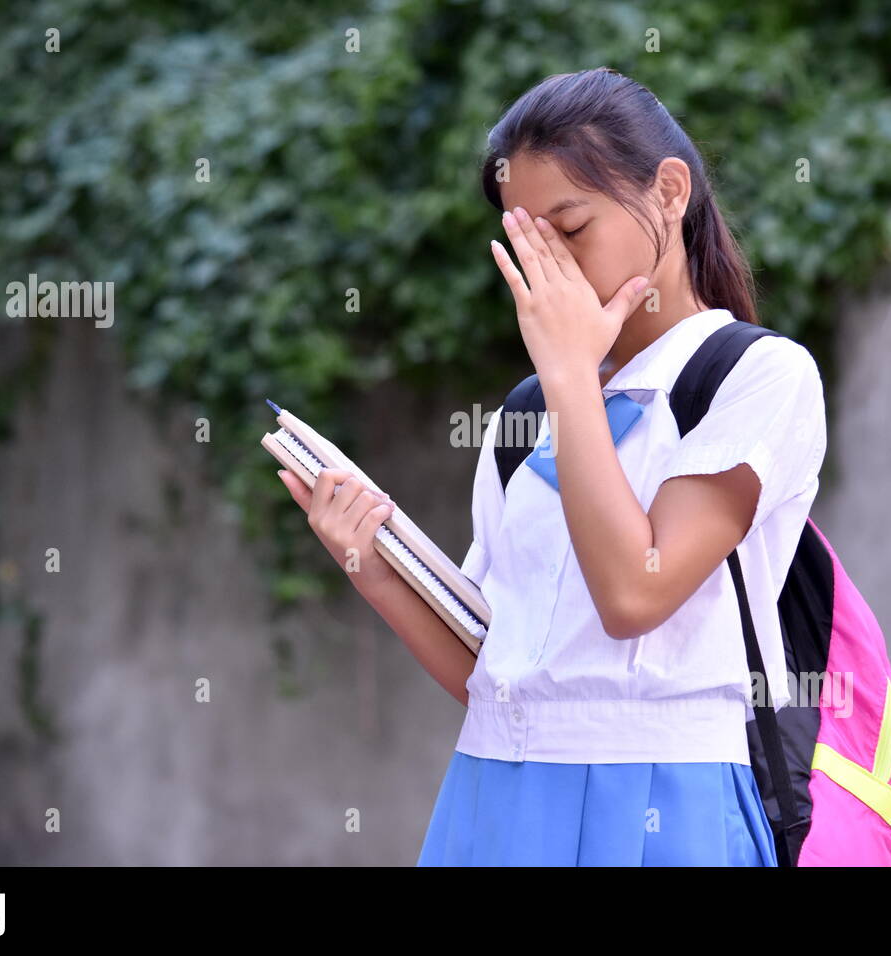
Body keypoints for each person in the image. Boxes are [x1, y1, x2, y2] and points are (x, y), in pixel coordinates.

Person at [280, 67, 827, 866]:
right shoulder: (528, 411)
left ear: (670, 193)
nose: (553, 270)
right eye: (529, 242)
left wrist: (571, 376)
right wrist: (373, 563)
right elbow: (495, 672)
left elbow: (635, 592)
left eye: (571, 231)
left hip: (663, 799)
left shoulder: (755, 377)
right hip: (492, 791)